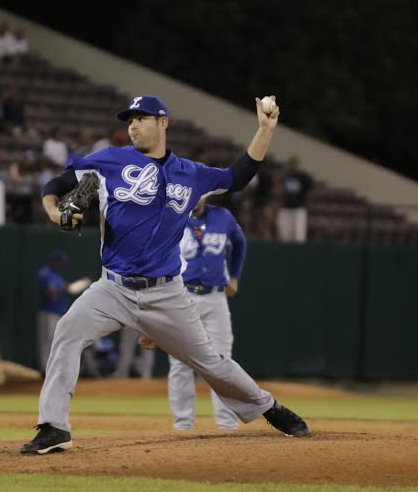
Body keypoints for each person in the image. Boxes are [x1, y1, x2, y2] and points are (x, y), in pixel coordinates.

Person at [22, 93, 310, 455]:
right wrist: (53, 212)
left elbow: (237, 177)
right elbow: (57, 186)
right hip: (112, 288)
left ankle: (269, 407)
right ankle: (53, 427)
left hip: (167, 293)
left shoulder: (190, 173)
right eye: (129, 120)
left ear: (163, 123)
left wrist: (265, 130)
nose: (132, 126)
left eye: (141, 118)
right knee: (67, 332)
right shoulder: (108, 161)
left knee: (211, 362)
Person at [140, 196, 248, 430]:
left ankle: (227, 425)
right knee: (180, 363)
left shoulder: (223, 216)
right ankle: (183, 426)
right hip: (181, 295)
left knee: (223, 360)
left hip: (216, 296)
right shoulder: (170, 216)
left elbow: (240, 242)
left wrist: (236, 276)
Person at [276, 158, 313, 242]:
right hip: (285, 208)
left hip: (298, 209)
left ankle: (299, 254)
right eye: (291, 165)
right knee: (284, 234)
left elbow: (311, 190)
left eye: (294, 165)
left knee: (298, 235)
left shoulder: (303, 177)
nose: (293, 167)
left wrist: (306, 202)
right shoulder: (285, 177)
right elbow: (279, 190)